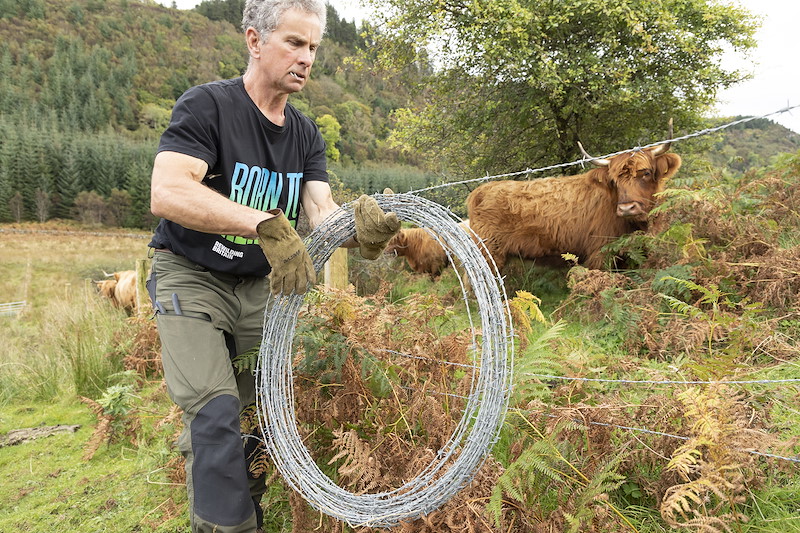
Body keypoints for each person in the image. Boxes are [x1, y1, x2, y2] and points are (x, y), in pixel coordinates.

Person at [146, 1, 400, 531]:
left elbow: (320, 214)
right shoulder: (208, 106)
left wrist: (365, 230)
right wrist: (261, 222)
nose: (306, 58)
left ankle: (247, 514)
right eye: (294, 43)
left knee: (263, 417)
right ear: (254, 41)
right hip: (190, 277)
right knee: (215, 416)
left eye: (313, 47)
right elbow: (168, 191)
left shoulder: (305, 135)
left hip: (259, 290)